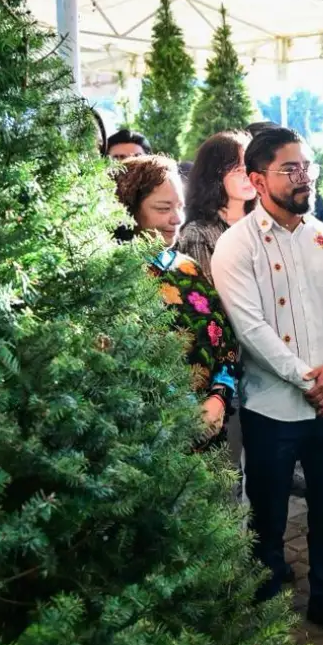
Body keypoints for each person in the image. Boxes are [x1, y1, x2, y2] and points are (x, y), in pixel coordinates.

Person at [211, 127, 323, 642]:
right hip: (272, 406)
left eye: (307, 166)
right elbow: (250, 328)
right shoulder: (235, 246)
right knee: (268, 513)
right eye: (290, 169)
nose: (304, 177)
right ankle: (264, 600)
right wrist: (308, 378)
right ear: (257, 180)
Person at [112, 155, 239, 450]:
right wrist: (182, 412)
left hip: (209, 431)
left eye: (179, 207)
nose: (176, 219)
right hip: (146, 441)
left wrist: (218, 398)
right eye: (163, 208)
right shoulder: (112, 279)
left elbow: (226, 344)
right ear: (129, 209)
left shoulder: (188, 268)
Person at [174, 131, 255, 284]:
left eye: (250, 167)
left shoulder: (266, 220)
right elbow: (209, 297)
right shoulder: (198, 234)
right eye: (238, 170)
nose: (248, 176)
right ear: (214, 176)